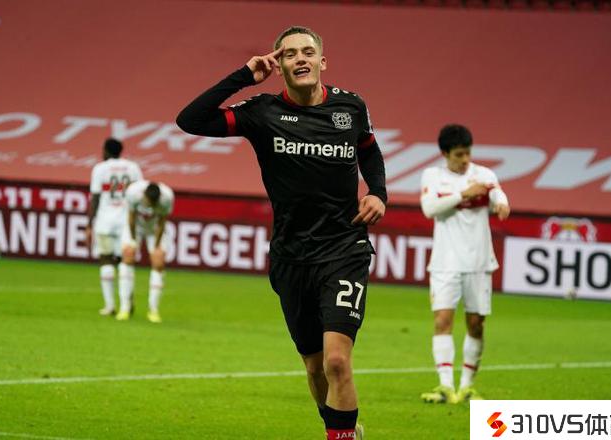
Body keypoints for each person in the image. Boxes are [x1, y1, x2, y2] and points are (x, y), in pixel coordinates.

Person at [176, 26, 386, 439]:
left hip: (344, 248)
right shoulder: (263, 112)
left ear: (322, 61)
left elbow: (370, 151)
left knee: (337, 361)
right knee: (314, 366)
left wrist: (378, 192)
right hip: (291, 256)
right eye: (290, 54)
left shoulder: (351, 107)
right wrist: (243, 77)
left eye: (308, 51)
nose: (300, 58)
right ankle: (342, 429)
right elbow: (190, 120)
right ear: (279, 65)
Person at [419, 124, 510, 404]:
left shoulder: (484, 175)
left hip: (479, 262)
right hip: (445, 262)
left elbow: (498, 195)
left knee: (476, 324)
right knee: (442, 320)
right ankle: (445, 386)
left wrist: (502, 204)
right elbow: (429, 208)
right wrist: (464, 195)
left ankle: (467, 386)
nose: (465, 159)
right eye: (459, 154)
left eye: (468, 153)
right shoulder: (433, 176)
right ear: (445, 154)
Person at [86, 138, 143, 316]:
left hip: (105, 222)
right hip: (127, 222)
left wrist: (89, 224)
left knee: (105, 260)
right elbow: (140, 194)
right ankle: (127, 303)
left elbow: (95, 198)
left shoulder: (100, 168)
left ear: (105, 150)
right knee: (125, 262)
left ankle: (110, 306)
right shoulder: (133, 168)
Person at [117, 180, 174, 323]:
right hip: (135, 227)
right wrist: (133, 241)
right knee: (128, 256)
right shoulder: (133, 193)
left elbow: (161, 223)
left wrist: (156, 246)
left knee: (158, 262)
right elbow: (131, 218)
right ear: (144, 195)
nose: (151, 206)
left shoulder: (167, 198)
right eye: (149, 202)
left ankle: (153, 310)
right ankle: (125, 308)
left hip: (153, 230)